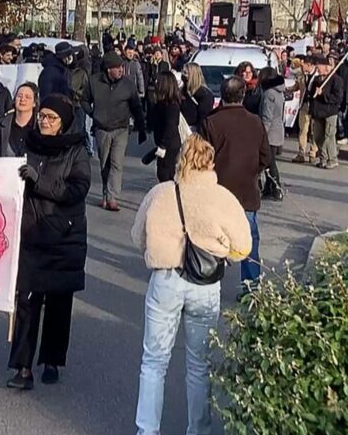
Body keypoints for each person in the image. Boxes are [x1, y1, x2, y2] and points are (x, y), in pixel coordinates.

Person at [131, 134, 252, 435]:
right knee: (199, 365)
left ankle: (147, 430)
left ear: (180, 159)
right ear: (211, 163)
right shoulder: (223, 198)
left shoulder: (160, 194)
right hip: (205, 284)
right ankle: (198, 429)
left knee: (154, 362)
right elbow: (244, 246)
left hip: (165, 278)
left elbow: (137, 236)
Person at [7, 94, 90, 390]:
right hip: (30, 234)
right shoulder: (28, 143)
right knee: (27, 302)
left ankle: (52, 360)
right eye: (42, 116)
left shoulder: (76, 151)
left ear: (64, 122)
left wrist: (38, 182)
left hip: (63, 236)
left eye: (51, 118)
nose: (44, 121)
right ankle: (23, 366)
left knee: (57, 303)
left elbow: (78, 189)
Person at [199, 76, 271, 292]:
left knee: (213, 238)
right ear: (243, 95)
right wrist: (252, 172)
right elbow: (266, 157)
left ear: (222, 96)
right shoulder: (255, 122)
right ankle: (251, 286)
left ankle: (208, 283)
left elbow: (200, 159)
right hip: (246, 191)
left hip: (217, 191)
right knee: (248, 240)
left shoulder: (210, 122)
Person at [81, 52, 146, 211]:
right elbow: (83, 100)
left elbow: (136, 107)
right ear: (108, 69)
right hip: (102, 129)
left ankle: (112, 197)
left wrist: (141, 127)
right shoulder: (94, 82)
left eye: (121, 68)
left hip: (121, 128)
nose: (121, 71)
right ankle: (105, 193)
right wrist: (92, 113)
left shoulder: (127, 84)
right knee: (105, 164)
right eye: (117, 68)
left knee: (117, 163)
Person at [257, 67, 286, 200]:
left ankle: (276, 187)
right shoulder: (278, 92)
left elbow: (266, 116)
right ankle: (269, 188)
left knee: (269, 162)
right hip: (277, 129)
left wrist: (261, 134)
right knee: (270, 161)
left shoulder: (269, 93)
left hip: (270, 131)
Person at [310, 57, 344, 169]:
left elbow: (338, 98)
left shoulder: (336, 80)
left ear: (325, 67)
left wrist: (323, 94)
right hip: (318, 112)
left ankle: (332, 158)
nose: (317, 68)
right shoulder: (316, 80)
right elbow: (311, 94)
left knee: (329, 136)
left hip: (330, 112)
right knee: (318, 137)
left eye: (318, 66)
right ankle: (323, 158)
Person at [149, 72, 183, 183]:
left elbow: (171, 126)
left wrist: (163, 145)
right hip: (163, 143)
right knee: (162, 173)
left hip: (169, 146)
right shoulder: (161, 104)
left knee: (166, 174)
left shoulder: (171, 106)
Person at [0, 82, 38, 157]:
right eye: (19, 96)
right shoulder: (1, 125)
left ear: (34, 103)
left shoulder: (40, 127)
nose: (22, 99)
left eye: (27, 97)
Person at [292, 56, 319, 163]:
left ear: (310, 65)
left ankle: (313, 152)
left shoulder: (318, 75)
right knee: (303, 129)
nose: (302, 68)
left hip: (315, 106)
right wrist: (287, 89)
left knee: (314, 131)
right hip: (304, 105)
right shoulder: (301, 75)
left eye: (304, 66)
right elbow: (297, 86)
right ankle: (301, 153)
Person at [179, 63, 214, 131]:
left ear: (193, 75)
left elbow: (204, 117)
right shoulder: (182, 91)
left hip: (194, 131)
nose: (182, 74)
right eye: (182, 72)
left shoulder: (204, 94)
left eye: (185, 73)